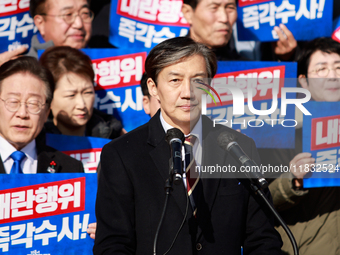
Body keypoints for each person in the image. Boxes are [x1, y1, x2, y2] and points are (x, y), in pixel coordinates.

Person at [94, 37, 282, 254]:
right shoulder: (121, 154)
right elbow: (112, 245)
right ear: (153, 88)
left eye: (198, 80)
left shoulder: (239, 147)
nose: (187, 92)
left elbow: (263, 240)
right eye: (175, 80)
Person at [268, 37, 340, 255]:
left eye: (339, 67)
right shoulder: (280, 127)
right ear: (304, 81)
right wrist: (294, 180)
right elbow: (259, 197)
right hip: (305, 247)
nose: (333, 75)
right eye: (321, 69)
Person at [0, 56, 84, 174]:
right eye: (13, 102)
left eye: (33, 103)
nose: (22, 114)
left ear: (46, 112)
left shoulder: (70, 169)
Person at [39, 46, 124, 139]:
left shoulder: (112, 135)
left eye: (87, 93)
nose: (82, 105)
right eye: (71, 95)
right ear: (48, 97)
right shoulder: (35, 142)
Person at [181, 0, 297, 61]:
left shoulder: (246, 70)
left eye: (230, 8)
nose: (224, 18)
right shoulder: (167, 61)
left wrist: (285, 60)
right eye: (214, 8)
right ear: (188, 13)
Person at [27, 0, 93, 58]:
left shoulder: (102, 62)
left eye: (85, 13)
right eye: (68, 14)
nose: (79, 24)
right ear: (40, 23)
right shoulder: (27, 70)